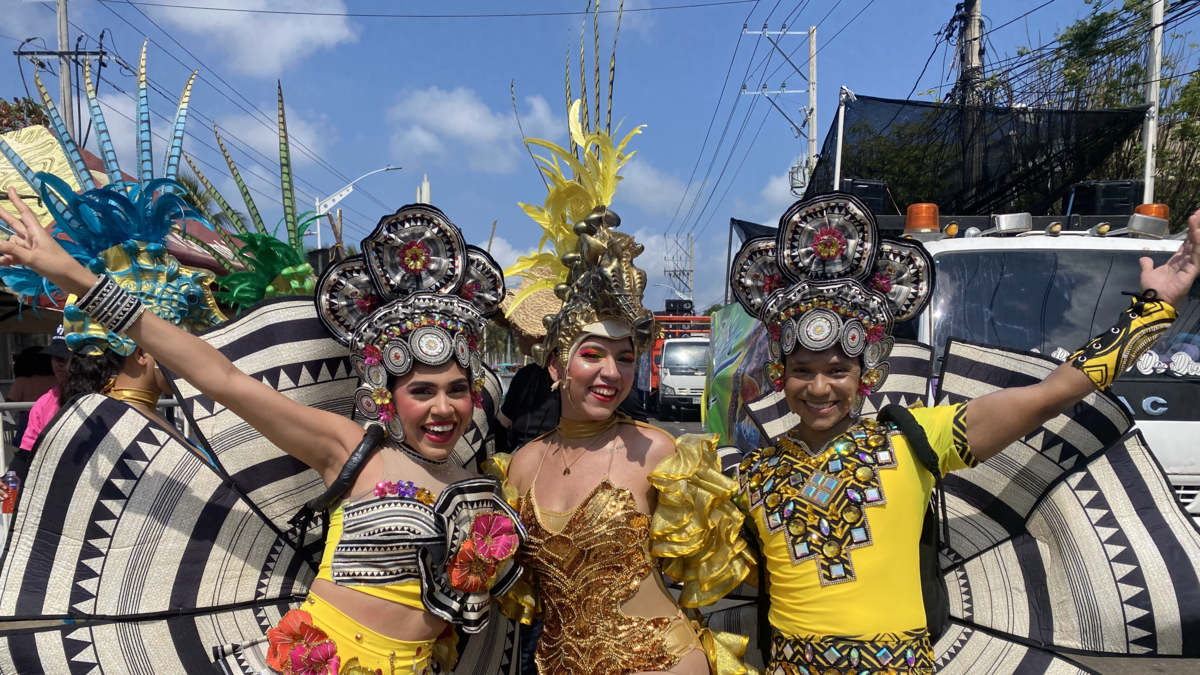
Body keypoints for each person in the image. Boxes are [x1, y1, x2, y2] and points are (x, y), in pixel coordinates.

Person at [0, 179, 526, 671]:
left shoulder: (477, 482)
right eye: (421, 391)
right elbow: (223, 379)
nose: (443, 408)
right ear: (387, 396)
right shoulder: (350, 449)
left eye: (457, 390)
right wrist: (76, 279)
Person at [723, 192, 1200, 673]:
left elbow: (1050, 395)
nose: (820, 387)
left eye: (837, 370)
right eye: (803, 370)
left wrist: (1156, 306)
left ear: (866, 374)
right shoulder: (754, 472)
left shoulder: (913, 440)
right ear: (780, 375)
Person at [487, 90, 756, 675]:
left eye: (625, 356)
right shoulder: (521, 466)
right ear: (556, 366)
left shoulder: (656, 452)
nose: (611, 372)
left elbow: (702, 569)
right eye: (592, 355)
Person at [18, 327, 69, 451]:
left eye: (66, 356)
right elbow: (26, 450)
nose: (59, 362)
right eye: (54, 356)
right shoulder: (44, 402)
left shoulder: (106, 398)